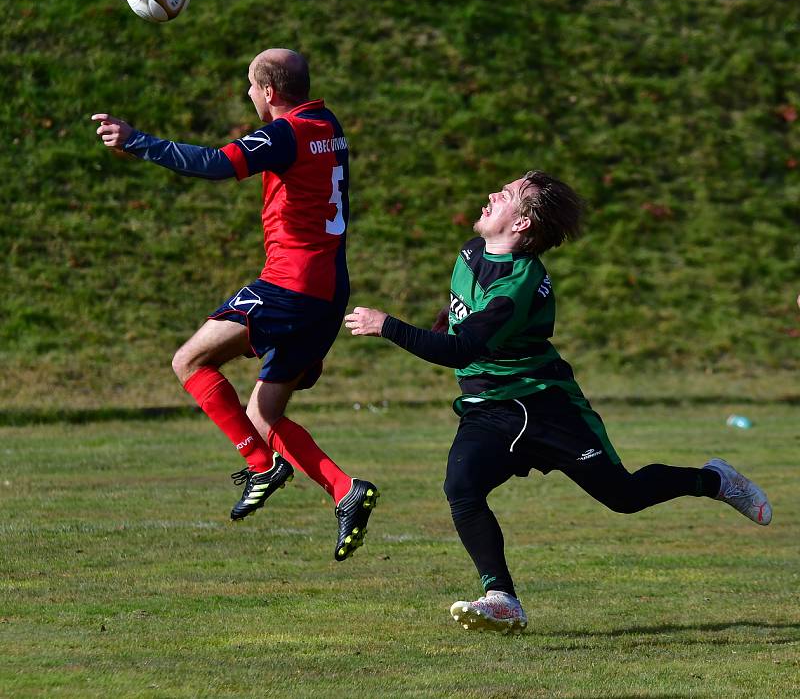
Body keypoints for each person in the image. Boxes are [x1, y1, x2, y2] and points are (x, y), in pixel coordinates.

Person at [345, 170, 772, 632]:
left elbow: (463, 348)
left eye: (505, 195)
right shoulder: (469, 254)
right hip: (490, 408)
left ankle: (715, 480)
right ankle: (502, 597)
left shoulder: (520, 284)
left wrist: (387, 325)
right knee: (462, 487)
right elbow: (456, 321)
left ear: (523, 223)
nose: (492, 193)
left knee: (623, 497)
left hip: (547, 407)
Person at [92, 48, 378, 561]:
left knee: (189, 361)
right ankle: (344, 489)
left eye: (250, 84)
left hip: (290, 285)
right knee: (263, 411)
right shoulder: (326, 121)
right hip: (329, 289)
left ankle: (262, 466)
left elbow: (216, 164)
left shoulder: (288, 132)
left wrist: (136, 141)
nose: (248, 93)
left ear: (269, 92)